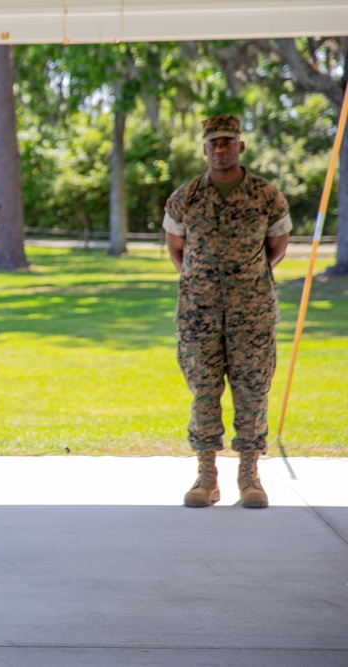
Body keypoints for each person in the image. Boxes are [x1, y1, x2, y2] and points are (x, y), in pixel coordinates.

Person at [163, 113, 291, 509]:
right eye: (213, 143)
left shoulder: (267, 196)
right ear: (204, 148)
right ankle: (206, 476)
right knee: (204, 391)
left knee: (253, 392)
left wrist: (244, 280)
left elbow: (277, 247)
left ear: (241, 146)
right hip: (198, 313)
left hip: (251, 313)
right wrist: (205, 283)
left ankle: (250, 475)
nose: (220, 149)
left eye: (227, 142)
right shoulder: (186, 197)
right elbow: (175, 249)